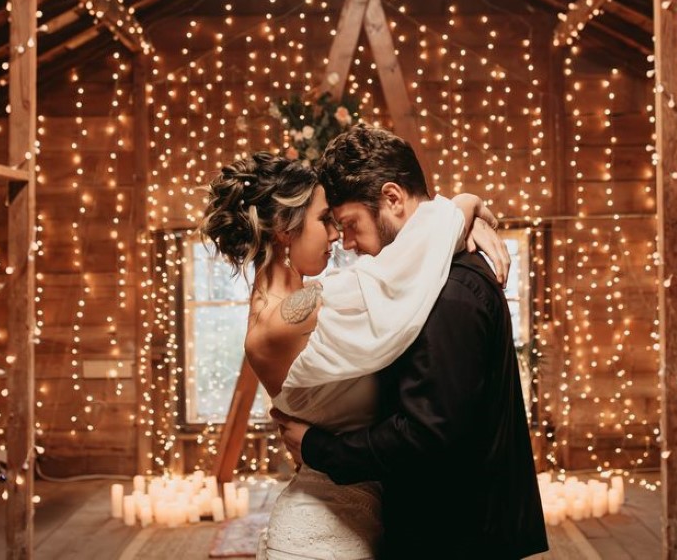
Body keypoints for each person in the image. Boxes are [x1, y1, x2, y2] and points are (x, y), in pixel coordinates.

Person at [201, 151, 506, 559]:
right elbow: (396, 274)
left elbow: (401, 272)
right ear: (282, 229)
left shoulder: (293, 305)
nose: (335, 235)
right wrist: (462, 206)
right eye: (325, 219)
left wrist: (457, 216)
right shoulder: (285, 319)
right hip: (321, 534)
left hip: (362, 518)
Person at [275, 124, 549, 559]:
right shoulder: (423, 276)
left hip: (456, 537)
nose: (347, 243)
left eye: (350, 224)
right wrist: (465, 207)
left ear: (393, 199)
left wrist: (317, 447)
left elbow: (427, 434)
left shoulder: (448, 291)